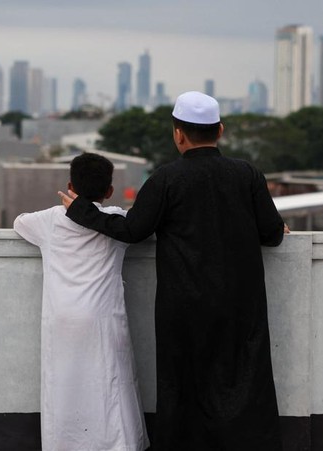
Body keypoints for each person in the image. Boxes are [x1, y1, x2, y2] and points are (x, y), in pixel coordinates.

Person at [59, 91, 286, 450]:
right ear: (220, 131)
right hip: (242, 304)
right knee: (244, 382)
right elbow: (272, 234)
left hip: (183, 305)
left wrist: (82, 211)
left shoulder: (166, 179)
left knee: (182, 386)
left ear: (178, 134)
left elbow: (133, 231)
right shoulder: (248, 175)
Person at [14, 153, 149, 451]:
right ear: (109, 191)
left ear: (70, 185)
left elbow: (18, 222)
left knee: (62, 389)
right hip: (103, 318)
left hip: (61, 321)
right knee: (111, 384)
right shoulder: (116, 219)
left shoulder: (48, 220)